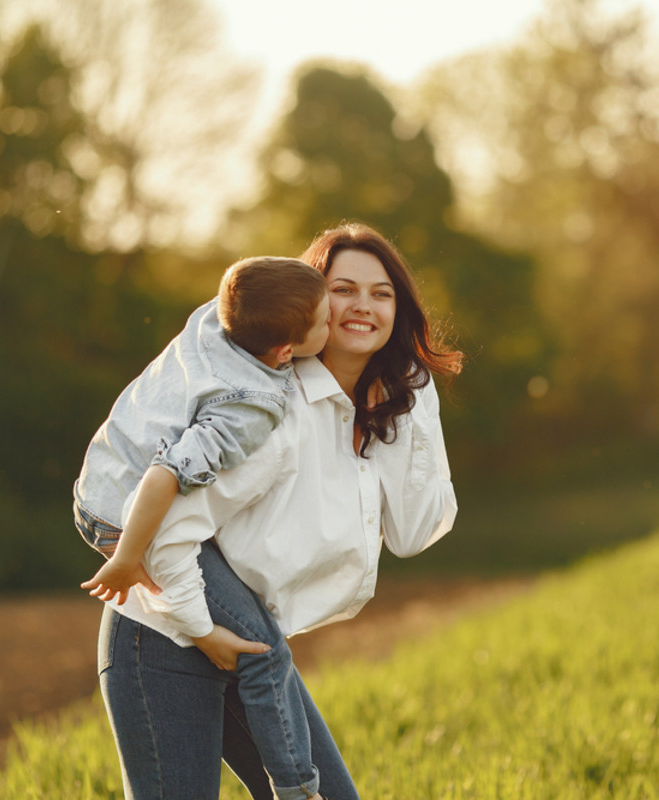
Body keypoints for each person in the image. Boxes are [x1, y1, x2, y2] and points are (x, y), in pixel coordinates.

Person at [97, 222, 463, 800]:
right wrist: (200, 627)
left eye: (382, 293)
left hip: (255, 650)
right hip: (166, 631)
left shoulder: (384, 411)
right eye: (343, 289)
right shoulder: (266, 406)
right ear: (310, 302)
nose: (363, 305)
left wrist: (413, 400)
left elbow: (414, 532)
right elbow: (170, 524)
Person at [73, 255, 333, 799]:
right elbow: (166, 476)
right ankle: (298, 790)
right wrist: (130, 560)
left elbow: (260, 288)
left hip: (99, 478)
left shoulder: (222, 316)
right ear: (285, 351)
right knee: (263, 651)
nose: (333, 326)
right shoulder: (248, 407)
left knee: (263, 645)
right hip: (125, 515)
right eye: (326, 321)